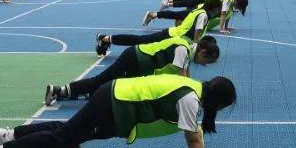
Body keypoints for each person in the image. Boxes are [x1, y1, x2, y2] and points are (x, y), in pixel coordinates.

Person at [0, 74, 237, 148]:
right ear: (218, 102)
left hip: (115, 101)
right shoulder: (190, 99)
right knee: (65, 136)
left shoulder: (192, 88)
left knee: (69, 129)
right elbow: (192, 138)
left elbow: (194, 131)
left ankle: (12, 135)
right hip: (114, 104)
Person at [44, 35, 220, 106]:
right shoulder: (183, 49)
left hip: (140, 62)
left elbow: (185, 73)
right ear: (203, 52)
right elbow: (181, 80)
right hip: (135, 59)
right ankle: (58, 90)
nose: (203, 65)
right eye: (206, 62)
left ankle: (77, 92)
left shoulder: (187, 46)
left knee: (112, 86)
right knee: (102, 81)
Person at [141, 0, 249, 42]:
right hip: (199, 11)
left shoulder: (231, 5)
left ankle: (154, 15)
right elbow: (223, 14)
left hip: (202, 13)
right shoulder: (228, 0)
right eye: (240, 7)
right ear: (238, 2)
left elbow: (227, 15)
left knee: (178, 15)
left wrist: (226, 27)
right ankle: (153, 15)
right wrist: (221, 29)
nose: (238, 9)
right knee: (177, 15)